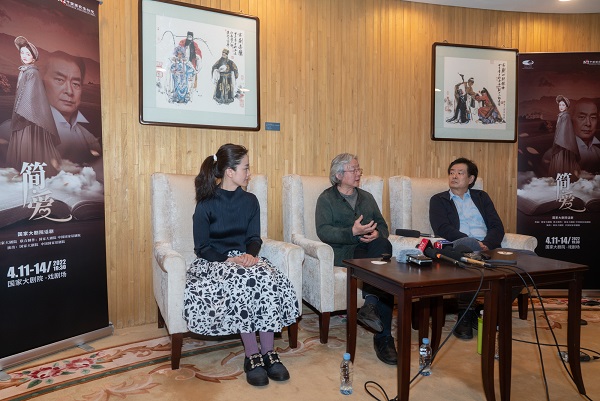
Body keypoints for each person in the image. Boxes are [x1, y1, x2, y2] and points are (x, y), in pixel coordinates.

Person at [184, 143, 300, 387]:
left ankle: (268, 352)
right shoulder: (205, 204)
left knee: (266, 277)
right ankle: (252, 354)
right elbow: (202, 247)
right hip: (215, 261)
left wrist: (250, 255)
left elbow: (254, 238)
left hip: (244, 258)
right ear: (229, 171)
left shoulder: (250, 201)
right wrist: (229, 260)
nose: (249, 173)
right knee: (244, 280)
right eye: (245, 168)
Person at [315, 153, 397, 365]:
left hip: (370, 248)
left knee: (384, 246)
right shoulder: (326, 199)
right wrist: (352, 231)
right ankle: (383, 336)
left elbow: (382, 225)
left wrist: (377, 233)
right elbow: (323, 231)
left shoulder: (367, 197)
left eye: (359, 169)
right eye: (354, 169)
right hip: (345, 253)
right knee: (380, 265)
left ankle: (372, 311)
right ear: (339, 175)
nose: (359, 173)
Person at [429, 157, 505, 340]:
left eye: (460, 173)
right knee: (469, 247)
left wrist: (487, 243)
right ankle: (465, 313)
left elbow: (497, 226)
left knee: (524, 261)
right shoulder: (439, 200)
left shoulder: (482, 197)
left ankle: (488, 310)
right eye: (452, 172)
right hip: (459, 246)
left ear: (471, 179)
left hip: (487, 247)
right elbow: (442, 228)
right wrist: (473, 242)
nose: (454, 176)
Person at [6, 36, 61, 176]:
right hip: (23, 111)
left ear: (34, 57)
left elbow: (30, 96)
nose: (24, 56)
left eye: (28, 53)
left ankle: (31, 173)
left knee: (28, 142)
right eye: (22, 53)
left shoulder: (32, 73)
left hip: (28, 117)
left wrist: (20, 112)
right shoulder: (25, 71)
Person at [41, 51, 102, 170]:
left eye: (75, 84)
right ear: (42, 82)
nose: (69, 91)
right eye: (59, 80)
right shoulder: (17, 132)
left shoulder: (88, 137)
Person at [547, 95, 581, 180]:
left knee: (562, 159)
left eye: (563, 105)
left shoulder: (566, 116)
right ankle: (560, 177)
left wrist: (558, 141)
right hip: (560, 140)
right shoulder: (561, 115)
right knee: (559, 159)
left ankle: (564, 178)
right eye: (560, 105)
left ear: (566, 106)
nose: (561, 107)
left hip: (563, 143)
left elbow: (564, 130)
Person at [572, 98, 599, 175]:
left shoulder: (598, 152)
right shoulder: (557, 154)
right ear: (571, 119)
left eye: (593, 118)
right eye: (582, 117)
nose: (588, 123)